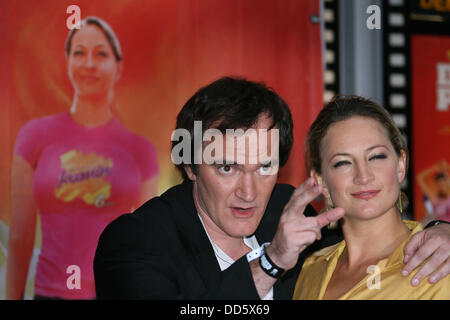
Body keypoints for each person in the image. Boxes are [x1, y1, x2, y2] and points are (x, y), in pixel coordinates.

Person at [94, 78, 450, 299]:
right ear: (189, 165)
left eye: (264, 167)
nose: (248, 192)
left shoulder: (284, 208)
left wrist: (438, 230)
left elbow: (363, 238)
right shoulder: (135, 241)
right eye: (227, 168)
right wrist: (269, 263)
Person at [7, 16, 159, 300]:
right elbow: (19, 239)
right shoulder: (34, 136)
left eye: (101, 54)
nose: (89, 63)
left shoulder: (140, 150)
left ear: (118, 67)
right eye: (79, 53)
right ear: (67, 62)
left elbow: (150, 245)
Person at [293, 95, 450, 300]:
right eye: (343, 163)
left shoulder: (439, 267)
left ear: (400, 165)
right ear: (320, 181)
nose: (363, 176)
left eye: (376, 157)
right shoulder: (308, 269)